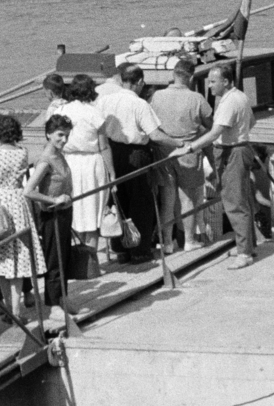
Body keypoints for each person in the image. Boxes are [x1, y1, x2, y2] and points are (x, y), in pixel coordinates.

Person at [176, 63, 256, 270]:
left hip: (233, 152)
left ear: (226, 82)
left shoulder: (229, 102)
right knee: (243, 198)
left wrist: (190, 148)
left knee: (234, 201)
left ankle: (244, 253)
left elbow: (215, 132)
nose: (209, 86)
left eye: (213, 81)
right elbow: (252, 121)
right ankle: (248, 245)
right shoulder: (240, 97)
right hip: (242, 146)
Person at [0, 114, 48, 328]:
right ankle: (15, 309)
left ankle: (9, 308)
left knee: (1, 258)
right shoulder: (22, 153)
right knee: (18, 257)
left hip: (0, 205)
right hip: (19, 203)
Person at [97, 63, 162, 263]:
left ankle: (120, 247)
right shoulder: (140, 104)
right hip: (136, 153)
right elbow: (154, 133)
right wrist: (178, 142)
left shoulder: (104, 101)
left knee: (119, 200)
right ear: (140, 82)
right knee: (140, 202)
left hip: (111, 151)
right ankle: (140, 250)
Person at [150, 59, 212, 253]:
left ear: (173, 75)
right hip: (189, 152)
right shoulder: (197, 98)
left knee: (167, 200)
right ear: (191, 77)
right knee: (188, 199)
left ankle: (167, 243)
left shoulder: (157, 96)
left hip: (164, 152)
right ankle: (189, 240)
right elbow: (211, 125)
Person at [25, 113, 76, 322]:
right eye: (60, 135)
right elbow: (28, 190)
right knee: (54, 259)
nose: (64, 140)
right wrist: (53, 200)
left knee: (64, 257)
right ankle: (54, 304)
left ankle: (62, 298)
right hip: (52, 215)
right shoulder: (46, 159)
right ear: (48, 134)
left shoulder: (59, 154)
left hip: (64, 212)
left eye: (66, 136)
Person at [60, 73, 115, 258]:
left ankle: (76, 256)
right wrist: (112, 173)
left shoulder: (60, 110)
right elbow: (103, 145)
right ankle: (89, 259)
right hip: (92, 162)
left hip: (68, 161)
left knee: (74, 208)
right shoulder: (94, 113)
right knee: (93, 208)